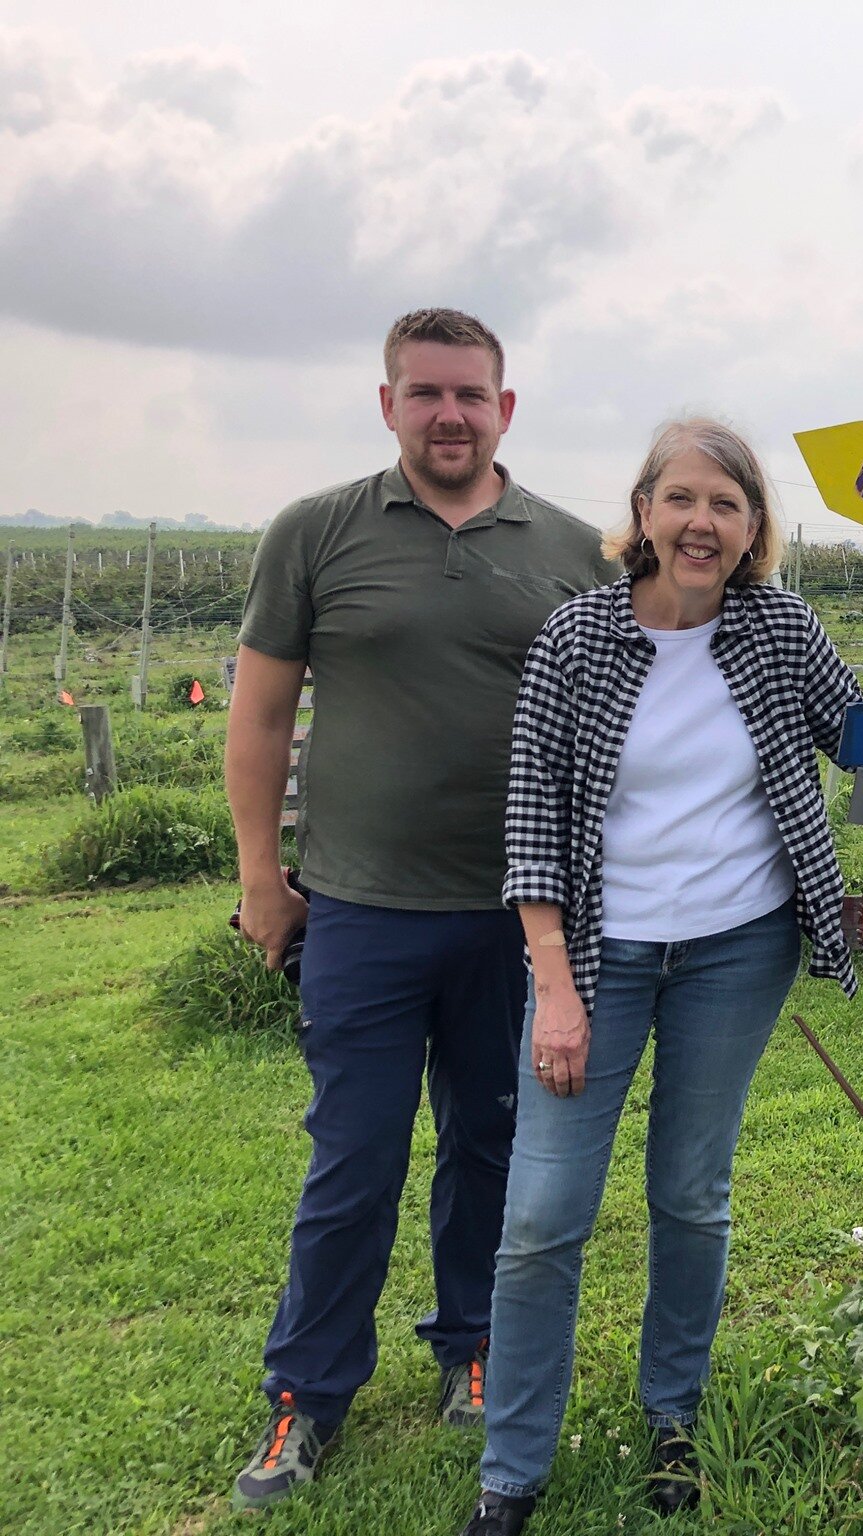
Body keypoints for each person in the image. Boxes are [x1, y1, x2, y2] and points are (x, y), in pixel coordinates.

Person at [459, 417, 863, 1534]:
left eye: (727, 505)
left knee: (690, 1197)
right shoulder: (576, 639)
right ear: (644, 511)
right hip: (595, 964)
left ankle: (673, 1422)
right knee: (545, 1214)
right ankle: (512, 1467)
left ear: (753, 529)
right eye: (682, 499)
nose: (702, 523)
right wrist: (551, 986)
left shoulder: (776, 629)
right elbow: (532, 826)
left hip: (734, 954)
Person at [225, 309, 617, 1511]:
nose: (449, 413)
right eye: (425, 393)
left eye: (471, 394)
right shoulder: (317, 534)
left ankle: (474, 1349)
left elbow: (643, 706)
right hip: (361, 908)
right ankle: (308, 1394)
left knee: (495, 1142)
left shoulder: (567, 546)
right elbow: (260, 715)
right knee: (354, 1154)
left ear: (506, 409)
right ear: (386, 403)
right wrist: (259, 875)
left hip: (520, 917)